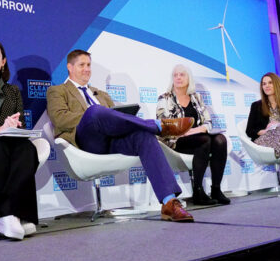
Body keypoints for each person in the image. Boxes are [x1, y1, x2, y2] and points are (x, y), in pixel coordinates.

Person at [47, 49, 195, 222]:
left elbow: (115, 120)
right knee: (95, 112)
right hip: (85, 142)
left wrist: (106, 116)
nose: (87, 69)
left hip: (111, 142)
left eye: (88, 65)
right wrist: (91, 115)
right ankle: (157, 125)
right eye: (82, 65)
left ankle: (169, 202)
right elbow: (60, 119)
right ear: (69, 67)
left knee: (144, 136)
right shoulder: (57, 91)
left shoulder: (101, 94)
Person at [0, 39, 39, 240]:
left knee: (27, 149)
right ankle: (4, 214)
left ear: (3, 61)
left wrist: (14, 124)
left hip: (6, 143)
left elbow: (19, 119)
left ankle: (22, 215)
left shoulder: (13, 91)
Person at [156, 64, 230, 205]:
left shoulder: (196, 97)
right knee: (205, 140)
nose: (178, 77)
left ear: (189, 78)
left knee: (220, 140)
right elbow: (163, 125)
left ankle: (216, 189)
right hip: (176, 140)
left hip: (198, 137)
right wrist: (184, 132)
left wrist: (195, 130)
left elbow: (208, 122)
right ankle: (198, 191)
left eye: (182, 74)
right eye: (175, 75)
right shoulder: (165, 98)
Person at [246, 72, 280, 157]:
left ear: (276, 84)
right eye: (264, 84)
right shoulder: (256, 106)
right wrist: (262, 132)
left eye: (270, 83)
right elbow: (249, 130)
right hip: (264, 138)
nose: (266, 86)